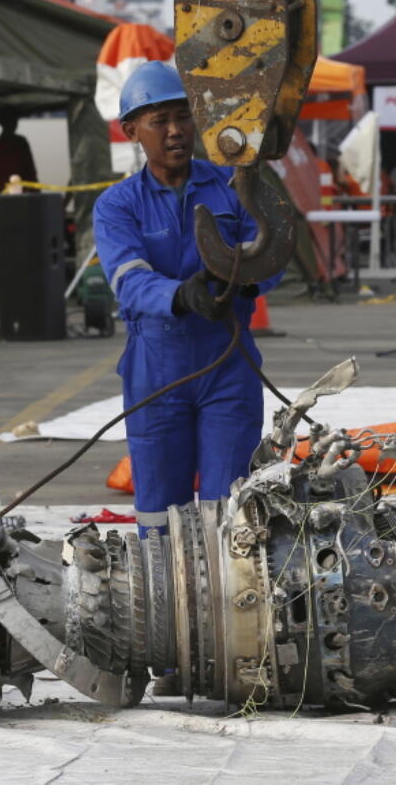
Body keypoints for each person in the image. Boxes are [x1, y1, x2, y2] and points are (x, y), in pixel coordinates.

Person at [93, 62, 282, 537]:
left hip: (228, 363)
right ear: (132, 130)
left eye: (184, 117)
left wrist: (245, 283)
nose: (176, 131)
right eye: (160, 121)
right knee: (159, 516)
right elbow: (128, 278)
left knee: (230, 516)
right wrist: (181, 295)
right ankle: (166, 604)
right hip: (156, 369)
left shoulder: (233, 185)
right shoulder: (118, 205)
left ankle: (228, 607)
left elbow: (274, 252)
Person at [0, 114, 37, 201]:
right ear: (2, 122)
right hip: (4, 196)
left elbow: (31, 171)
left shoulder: (22, 143)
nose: (13, 124)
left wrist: (35, 193)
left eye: (14, 121)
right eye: (10, 121)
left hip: (24, 196)